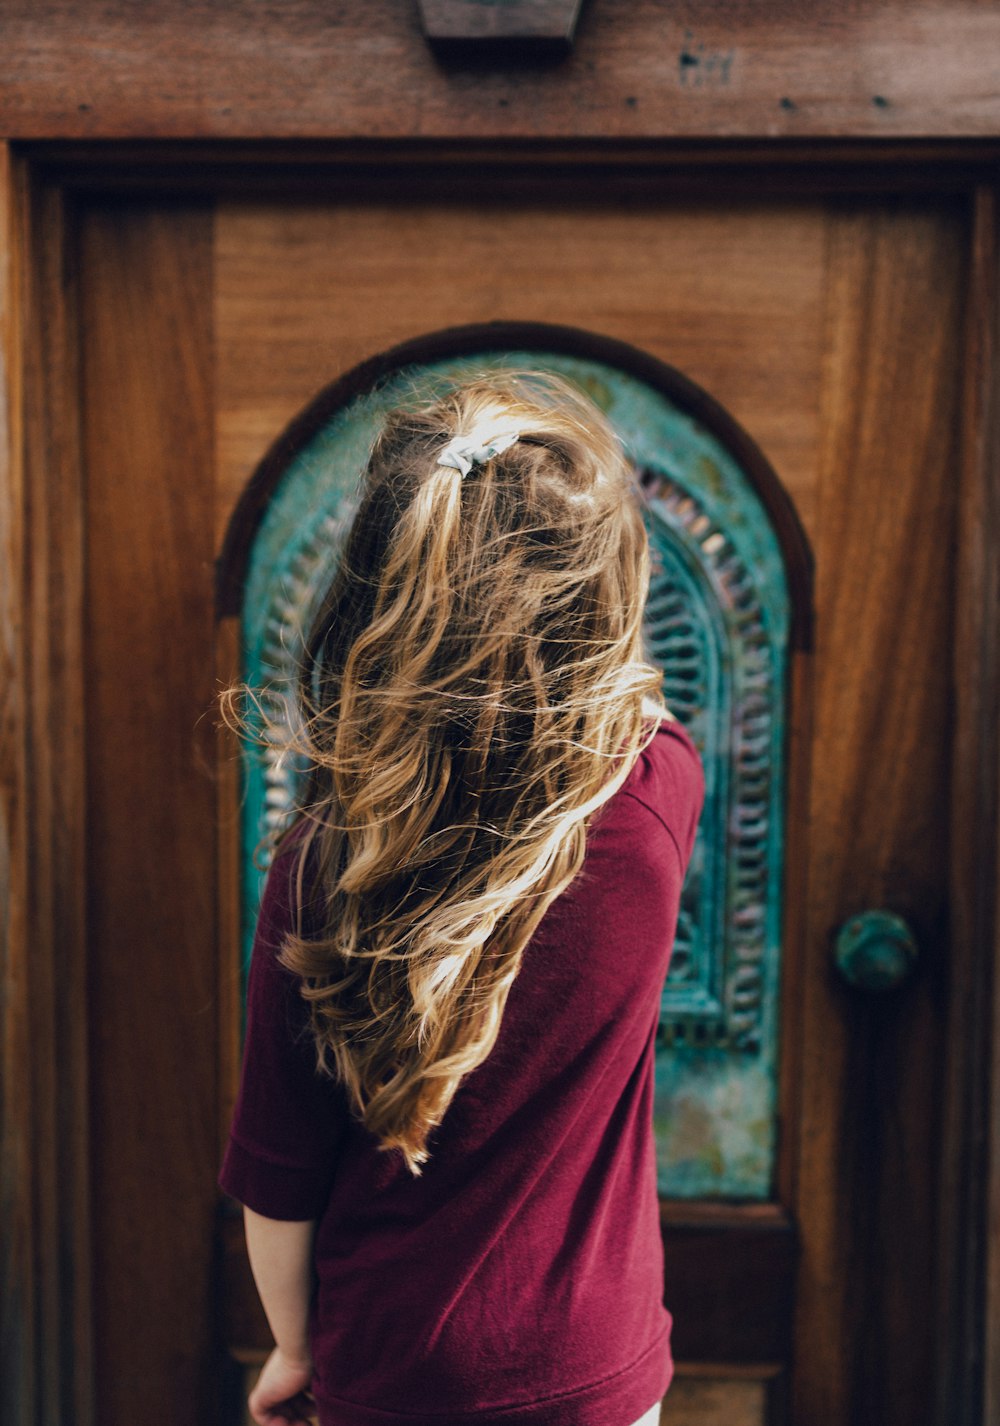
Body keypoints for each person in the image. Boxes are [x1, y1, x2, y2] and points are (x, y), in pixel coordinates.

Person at [218, 371, 705, 1426]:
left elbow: (278, 1177)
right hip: (595, 1375)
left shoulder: (321, 864)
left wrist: (295, 1352)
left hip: (388, 1375)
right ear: (611, 595)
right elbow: (627, 696)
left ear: (371, 595)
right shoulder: (656, 796)